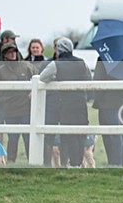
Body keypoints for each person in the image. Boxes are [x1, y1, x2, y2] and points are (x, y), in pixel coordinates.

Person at [39, 37, 91, 168]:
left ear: (59, 50)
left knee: (69, 133)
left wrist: (55, 78)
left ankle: (73, 163)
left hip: (66, 104)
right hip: (81, 103)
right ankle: (78, 162)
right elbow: (89, 78)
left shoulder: (56, 64)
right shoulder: (82, 63)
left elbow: (42, 77)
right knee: (81, 133)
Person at [0, 42, 35, 163]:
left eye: (14, 51)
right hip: (10, 110)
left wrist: (32, 93)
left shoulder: (27, 67)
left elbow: (37, 81)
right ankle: (11, 162)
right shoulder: (0, 72)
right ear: (4, 55)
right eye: (9, 52)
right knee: (12, 138)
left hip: (26, 109)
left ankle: (31, 161)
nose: (12, 54)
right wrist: (4, 100)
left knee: (28, 137)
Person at [92, 55, 123, 166]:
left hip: (107, 101)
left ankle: (115, 163)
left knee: (111, 134)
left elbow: (97, 80)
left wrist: (97, 98)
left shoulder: (103, 58)